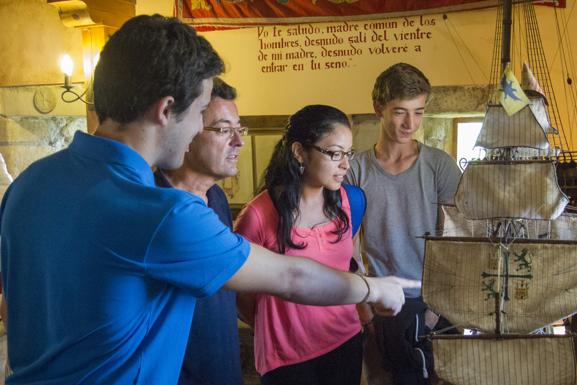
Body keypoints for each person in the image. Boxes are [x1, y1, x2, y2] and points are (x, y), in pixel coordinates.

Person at [0, 15, 416, 385]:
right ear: (166, 110)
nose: (203, 128)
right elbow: (292, 278)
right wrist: (372, 288)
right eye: (202, 112)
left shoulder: (30, 184)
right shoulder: (161, 213)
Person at [346, 63, 462, 385]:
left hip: (436, 299)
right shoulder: (356, 169)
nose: (410, 123)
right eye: (400, 112)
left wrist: (437, 309)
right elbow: (348, 244)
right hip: (381, 299)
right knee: (385, 379)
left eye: (419, 112)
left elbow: (454, 243)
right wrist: (365, 307)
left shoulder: (440, 166)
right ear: (378, 109)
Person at [236, 105, 364, 385]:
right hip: (287, 356)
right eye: (334, 153)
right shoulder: (259, 214)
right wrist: (274, 325)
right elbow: (240, 293)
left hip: (344, 340)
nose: (345, 164)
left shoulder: (349, 201)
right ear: (299, 152)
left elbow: (349, 265)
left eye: (348, 153)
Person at [154, 78, 246, 385]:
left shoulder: (217, 198)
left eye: (239, 128)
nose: (239, 141)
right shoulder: (153, 202)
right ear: (187, 130)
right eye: (222, 130)